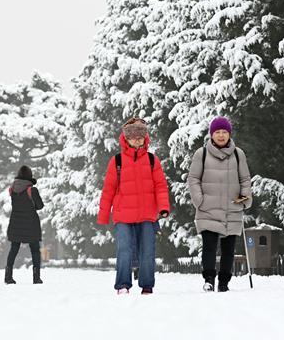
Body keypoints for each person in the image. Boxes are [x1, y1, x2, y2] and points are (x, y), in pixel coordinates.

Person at [97, 117, 171, 294]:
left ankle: (147, 285)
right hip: (123, 215)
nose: (136, 140)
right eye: (133, 137)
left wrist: (163, 207)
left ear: (145, 138)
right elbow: (108, 189)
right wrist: (104, 214)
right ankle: (123, 284)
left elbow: (160, 186)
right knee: (124, 250)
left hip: (147, 214)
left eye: (140, 137)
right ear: (126, 139)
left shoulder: (153, 160)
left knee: (148, 251)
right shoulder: (117, 161)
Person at [188, 116, 252, 292]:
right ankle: (209, 278)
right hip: (208, 208)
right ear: (211, 134)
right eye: (217, 132)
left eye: (224, 132)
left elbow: (245, 179)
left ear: (229, 134)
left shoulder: (238, 154)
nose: (221, 135)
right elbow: (193, 179)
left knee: (228, 249)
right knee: (209, 246)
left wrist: (245, 198)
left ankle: (224, 282)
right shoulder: (201, 154)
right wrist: (199, 200)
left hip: (232, 207)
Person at [5, 165, 45, 285]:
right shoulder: (31, 190)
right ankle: (36, 277)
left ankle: (8, 277)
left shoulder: (12, 189)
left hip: (16, 223)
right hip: (31, 224)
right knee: (35, 251)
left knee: (13, 250)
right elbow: (40, 206)